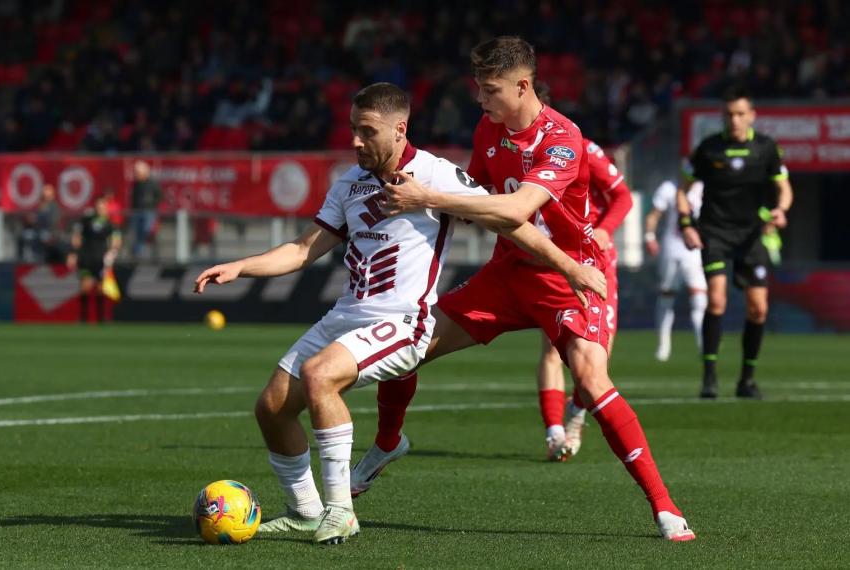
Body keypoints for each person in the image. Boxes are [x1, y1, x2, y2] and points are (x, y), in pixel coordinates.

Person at [193, 82, 605, 546]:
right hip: (347, 314)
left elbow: (511, 222)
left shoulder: (435, 175)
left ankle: (340, 512)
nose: (355, 141)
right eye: (353, 129)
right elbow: (303, 249)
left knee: (320, 375)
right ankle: (306, 512)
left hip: (405, 321)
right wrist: (241, 267)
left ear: (399, 130)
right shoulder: (349, 182)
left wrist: (571, 267)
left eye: (367, 131)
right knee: (271, 408)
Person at [353, 37, 695, 541]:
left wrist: (428, 196)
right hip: (507, 273)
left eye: (490, 90)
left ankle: (664, 506)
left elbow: (514, 209)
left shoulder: (563, 138)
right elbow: (474, 196)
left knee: (591, 381)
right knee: (407, 345)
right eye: (478, 88)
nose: (480, 99)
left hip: (567, 275)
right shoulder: (488, 130)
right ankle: (387, 443)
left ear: (522, 86)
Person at [531, 82, 634, 461]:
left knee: (597, 358)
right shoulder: (514, 152)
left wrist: (604, 230)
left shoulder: (581, 148)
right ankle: (555, 433)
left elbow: (622, 196)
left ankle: (576, 412)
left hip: (593, 261)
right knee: (551, 348)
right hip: (550, 259)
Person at [678, 86, 793, 399]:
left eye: (741, 114)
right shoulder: (708, 149)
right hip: (714, 232)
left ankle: (747, 380)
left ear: (752, 115)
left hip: (752, 235)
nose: (735, 120)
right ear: (723, 116)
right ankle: (709, 378)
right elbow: (683, 190)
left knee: (759, 309)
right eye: (729, 114)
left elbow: (784, 188)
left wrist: (781, 210)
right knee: (717, 300)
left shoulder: (767, 148)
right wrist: (686, 224)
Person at [644, 179, 708, 362]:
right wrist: (649, 237)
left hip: (694, 250)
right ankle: (663, 345)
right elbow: (653, 215)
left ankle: (704, 346)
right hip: (672, 249)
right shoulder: (669, 188)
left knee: (699, 299)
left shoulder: (704, 187)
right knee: (667, 296)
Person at [67, 195, 121, 323]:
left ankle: (101, 318)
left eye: (102, 205)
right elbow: (77, 238)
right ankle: (83, 317)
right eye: (98, 205)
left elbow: (116, 241)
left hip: (101, 259)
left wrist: (111, 254)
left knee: (100, 288)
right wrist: (73, 254)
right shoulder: (86, 220)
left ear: (106, 207)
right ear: (95, 206)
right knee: (85, 287)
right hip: (86, 258)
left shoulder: (111, 223)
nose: (100, 207)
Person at [17, 184, 64, 263]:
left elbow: (53, 221)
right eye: (44, 193)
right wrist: (30, 220)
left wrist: (38, 220)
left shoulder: (55, 207)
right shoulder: (40, 205)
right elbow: (31, 217)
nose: (45, 195)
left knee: (42, 238)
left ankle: (42, 259)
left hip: (49, 232)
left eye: (47, 193)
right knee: (23, 236)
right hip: (36, 231)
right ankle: (22, 260)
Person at [129, 160, 162, 260]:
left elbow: (159, 196)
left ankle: (149, 254)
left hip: (149, 211)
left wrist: (151, 204)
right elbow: (133, 198)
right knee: (137, 233)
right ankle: (137, 255)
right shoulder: (136, 184)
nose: (136, 175)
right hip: (137, 212)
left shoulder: (152, 184)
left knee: (146, 231)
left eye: (138, 172)